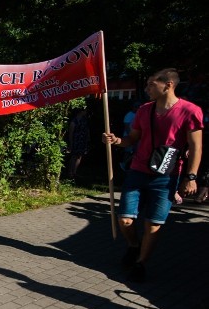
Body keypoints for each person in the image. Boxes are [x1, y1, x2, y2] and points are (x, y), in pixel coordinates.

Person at [102, 68, 203, 282]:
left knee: (153, 224)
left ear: (168, 85)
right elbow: (132, 138)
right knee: (125, 219)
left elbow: (196, 147)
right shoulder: (144, 110)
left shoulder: (190, 111)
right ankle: (133, 245)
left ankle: (140, 264)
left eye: (151, 84)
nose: (147, 88)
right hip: (138, 170)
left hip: (167, 175)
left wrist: (191, 177)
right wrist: (117, 141)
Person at [67, 107, 90, 180]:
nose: (86, 112)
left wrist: (88, 138)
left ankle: (74, 172)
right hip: (75, 140)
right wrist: (71, 142)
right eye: (84, 110)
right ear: (80, 111)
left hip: (82, 140)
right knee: (74, 156)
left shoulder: (84, 120)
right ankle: (70, 172)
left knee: (79, 156)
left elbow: (87, 130)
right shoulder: (74, 121)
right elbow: (71, 132)